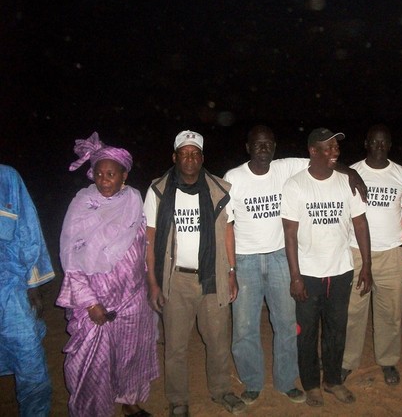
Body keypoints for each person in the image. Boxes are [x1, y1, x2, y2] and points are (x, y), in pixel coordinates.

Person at [143, 130, 245, 417]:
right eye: (184, 153)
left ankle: (222, 391)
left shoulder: (219, 190)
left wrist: (232, 271)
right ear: (175, 157)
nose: (189, 158)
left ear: (202, 158)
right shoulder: (158, 191)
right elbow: (149, 239)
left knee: (218, 340)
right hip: (176, 280)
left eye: (195, 153)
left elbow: (228, 231)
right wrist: (152, 282)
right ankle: (178, 400)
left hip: (213, 276)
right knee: (175, 345)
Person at [57, 132, 158, 417]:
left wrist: (149, 283)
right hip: (97, 300)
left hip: (133, 296)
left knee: (131, 353)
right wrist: (90, 302)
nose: (104, 180)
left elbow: (141, 242)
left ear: (124, 176)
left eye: (111, 174)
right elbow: (71, 258)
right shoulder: (81, 205)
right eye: (99, 174)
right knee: (93, 363)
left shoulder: (134, 201)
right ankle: (93, 410)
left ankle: (130, 401)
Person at [281, 128, 372, 407]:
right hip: (308, 273)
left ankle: (332, 380)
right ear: (313, 151)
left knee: (336, 328)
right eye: (329, 147)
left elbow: (360, 223)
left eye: (336, 147)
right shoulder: (295, 185)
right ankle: (311, 384)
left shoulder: (346, 182)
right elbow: (290, 234)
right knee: (307, 331)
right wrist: (295, 277)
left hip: (341, 270)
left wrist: (366, 265)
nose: (336, 152)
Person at [223, 125, 307, 405]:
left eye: (269, 143)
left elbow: (322, 159)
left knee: (286, 323)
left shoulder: (285, 168)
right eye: (258, 144)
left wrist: (352, 172)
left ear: (275, 146)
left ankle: (286, 381)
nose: (264, 148)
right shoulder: (233, 178)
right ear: (248, 147)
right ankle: (252, 381)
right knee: (244, 327)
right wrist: (231, 269)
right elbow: (226, 226)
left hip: (280, 256)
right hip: (245, 260)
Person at [342, 124, 402, 386]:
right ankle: (347, 362)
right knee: (352, 311)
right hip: (357, 252)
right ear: (366, 143)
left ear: (390, 145)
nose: (379, 146)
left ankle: (388, 360)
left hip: (392, 252)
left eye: (384, 142)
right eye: (374, 142)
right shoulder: (353, 172)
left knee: (391, 312)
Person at [0, 164, 55, 417]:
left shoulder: (7, 178)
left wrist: (34, 286)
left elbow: (28, 230)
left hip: (10, 286)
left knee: (29, 359)